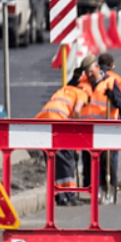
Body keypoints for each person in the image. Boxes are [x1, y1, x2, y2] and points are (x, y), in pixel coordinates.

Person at [79, 53, 121, 202]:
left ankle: (110, 190)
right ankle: (92, 191)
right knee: (88, 161)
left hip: (107, 128)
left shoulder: (110, 82)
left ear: (97, 67)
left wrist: (113, 97)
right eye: (87, 73)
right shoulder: (85, 83)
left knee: (107, 162)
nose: (89, 75)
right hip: (90, 129)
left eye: (91, 72)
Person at [36, 68, 89, 206]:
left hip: (43, 122)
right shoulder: (82, 92)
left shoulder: (65, 90)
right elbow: (77, 111)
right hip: (59, 121)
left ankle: (60, 195)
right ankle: (69, 196)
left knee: (53, 160)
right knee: (67, 158)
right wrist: (76, 133)